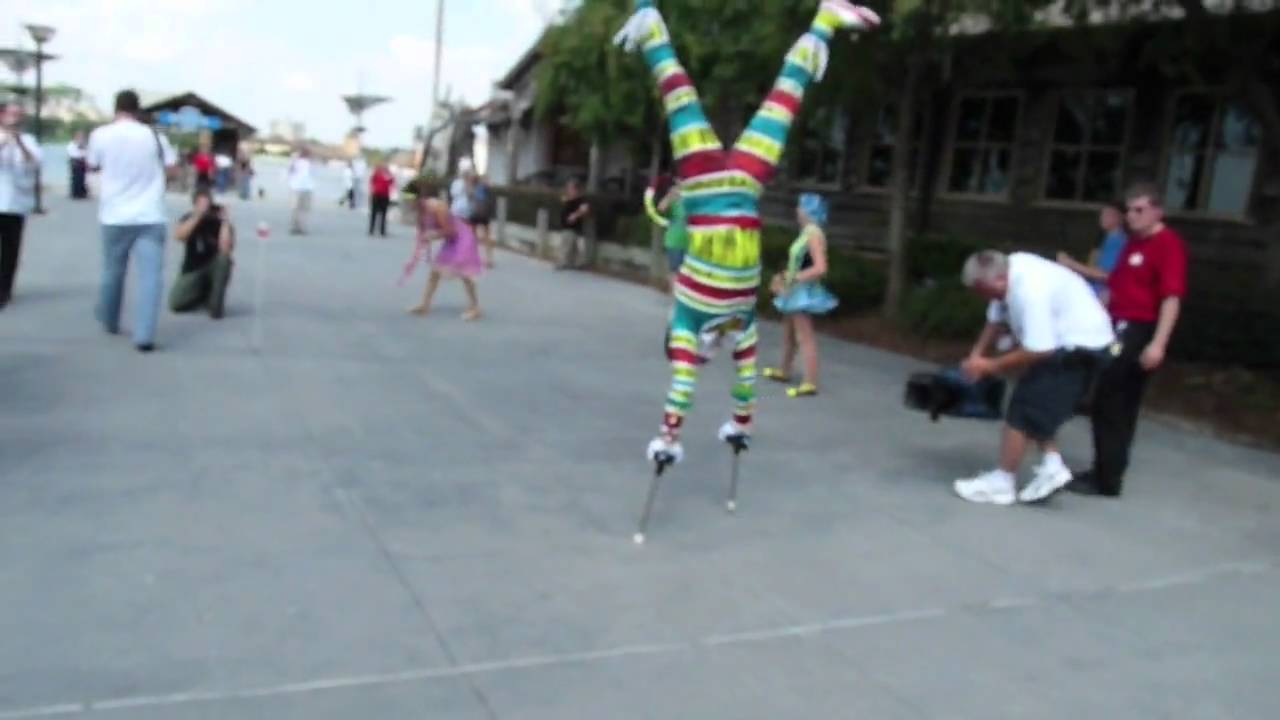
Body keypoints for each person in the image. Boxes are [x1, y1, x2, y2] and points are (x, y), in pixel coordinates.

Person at [613, 0, 880, 464]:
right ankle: (820, 23)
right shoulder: (735, 318)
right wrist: (737, 423)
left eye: (704, 350)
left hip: (717, 185)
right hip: (735, 186)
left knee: (765, 101)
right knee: (753, 100)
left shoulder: (695, 318)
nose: (707, 353)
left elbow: (695, 377)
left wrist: (679, 436)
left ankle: (820, 24)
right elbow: (740, 372)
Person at [953, 250, 1117, 505]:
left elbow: (1040, 349)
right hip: (1069, 340)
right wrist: (976, 356)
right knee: (1038, 403)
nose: (981, 297)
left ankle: (1002, 483)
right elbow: (995, 317)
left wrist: (991, 366)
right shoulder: (1010, 268)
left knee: (1022, 410)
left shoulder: (1029, 292)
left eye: (981, 290)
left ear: (998, 280)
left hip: (1081, 347)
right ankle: (1053, 465)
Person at [1069, 182, 1188, 498]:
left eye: (1140, 210)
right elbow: (1115, 286)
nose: (1132, 216)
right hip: (1116, 325)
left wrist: (1158, 343)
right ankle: (1104, 469)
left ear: (1157, 211)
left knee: (1114, 397)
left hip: (1139, 328)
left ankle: (1107, 477)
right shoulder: (1133, 244)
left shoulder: (1167, 244)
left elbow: (1171, 297)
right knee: (1106, 399)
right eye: (1129, 210)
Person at [86, 89, 179, 352]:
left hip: (114, 214)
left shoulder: (100, 135)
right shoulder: (155, 136)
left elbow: (92, 165)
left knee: (112, 271)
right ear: (138, 110)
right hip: (150, 213)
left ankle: (110, 319)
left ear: (116, 108)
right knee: (150, 277)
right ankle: (144, 335)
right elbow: (172, 169)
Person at [762, 192, 840, 398]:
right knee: (789, 332)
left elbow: (821, 267)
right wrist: (783, 278)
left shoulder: (813, 233)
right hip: (795, 289)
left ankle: (810, 381)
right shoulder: (806, 232)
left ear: (808, 210)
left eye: (800, 207)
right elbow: (796, 263)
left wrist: (794, 278)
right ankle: (785, 370)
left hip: (803, 291)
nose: (797, 210)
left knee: (804, 336)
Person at [406, 179, 484, 320]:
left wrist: (433, 235)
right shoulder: (420, 211)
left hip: (462, 237)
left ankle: (475, 307)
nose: (407, 203)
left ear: (418, 198)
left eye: (409, 200)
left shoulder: (436, 207)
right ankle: (425, 305)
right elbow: (422, 232)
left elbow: (451, 231)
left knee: (465, 273)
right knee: (435, 271)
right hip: (451, 239)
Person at [0, 100, 41, 310]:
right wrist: (5, 141)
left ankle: (4, 289)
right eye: (11, 114)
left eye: (19, 115)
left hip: (15, 203)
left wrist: (19, 143)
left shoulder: (29, 140)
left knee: (10, 249)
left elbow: (33, 163)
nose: (15, 118)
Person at [169, 188, 233, 319]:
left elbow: (226, 249)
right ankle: (200, 295)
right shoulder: (188, 218)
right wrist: (197, 216)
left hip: (212, 267)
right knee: (175, 304)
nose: (205, 207)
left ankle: (215, 304)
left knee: (224, 260)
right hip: (192, 269)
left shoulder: (218, 220)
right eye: (201, 204)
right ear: (195, 204)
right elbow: (179, 236)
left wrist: (225, 222)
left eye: (206, 203)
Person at [1058, 201, 1128, 303]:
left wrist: (1071, 264)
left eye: (1108, 214)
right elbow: (1092, 268)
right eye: (1102, 214)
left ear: (1120, 218)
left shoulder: (1118, 241)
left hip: (1100, 298)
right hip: (1091, 293)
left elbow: (1107, 276)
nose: (1103, 218)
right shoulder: (1106, 240)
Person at [556, 178, 591, 270]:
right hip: (566, 226)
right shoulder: (568, 199)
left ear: (576, 189)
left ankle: (562, 262)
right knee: (574, 247)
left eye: (570, 188)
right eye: (568, 188)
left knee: (566, 245)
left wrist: (575, 215)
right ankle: (577, 263)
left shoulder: (581, 200)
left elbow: (585, 209)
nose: (568, 190)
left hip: (572, 227)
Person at [287, 147, 314, 235]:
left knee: (302, 209)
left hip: (305, 188)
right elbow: (290, 170)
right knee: (298, 209)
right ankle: (296, 227)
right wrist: (294, 159)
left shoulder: (310, 163)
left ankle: (300, 227)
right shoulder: (296, 162)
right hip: (297, 188)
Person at [470, 174, 495, 268]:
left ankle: (473, 258)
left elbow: (470, 199)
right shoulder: (485, 186)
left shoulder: (473, 187)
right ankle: (489, 259)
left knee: (473, 236)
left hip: (475, 214)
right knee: (487, 236)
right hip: (485, 214)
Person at [368, 161, 395, 236]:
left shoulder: (388, 175)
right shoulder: (378, 173)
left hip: (383, 195)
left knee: (381, 214)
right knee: (376, 213)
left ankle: (380, 230)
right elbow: (372, 181)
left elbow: (392, 183)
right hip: (378, 195)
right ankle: (374, 229)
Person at [67, 131, 89, 199]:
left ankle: (82, 192)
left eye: (82, 137)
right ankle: (75, 193)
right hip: (75, 162)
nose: (81, 138)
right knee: (76, 178)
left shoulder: (84, 145)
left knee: (82, 178)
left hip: (82, 162)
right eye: (79, 137)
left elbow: (86, 153)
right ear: (75, 137)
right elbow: (72, 154)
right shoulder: (71, 144)